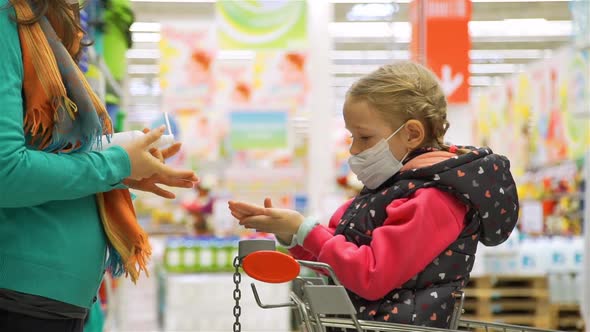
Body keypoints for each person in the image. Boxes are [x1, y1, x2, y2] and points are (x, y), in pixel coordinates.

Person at [229, 61, 519, 328]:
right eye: (352, 137)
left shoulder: (436, 200)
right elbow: (335, 254)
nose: (354, 149)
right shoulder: (386, 192)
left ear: (412, 134)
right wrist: (292, 233)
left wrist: (305, 230)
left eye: (364, 137)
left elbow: (370, 275)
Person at [0, 1, 198, 331]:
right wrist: (115, 164)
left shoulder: (42, 30)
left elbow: (53, 150)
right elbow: (7, 172)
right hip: (23, 299)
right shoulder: (8, 20)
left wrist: (129, 161)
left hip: (50, 300)